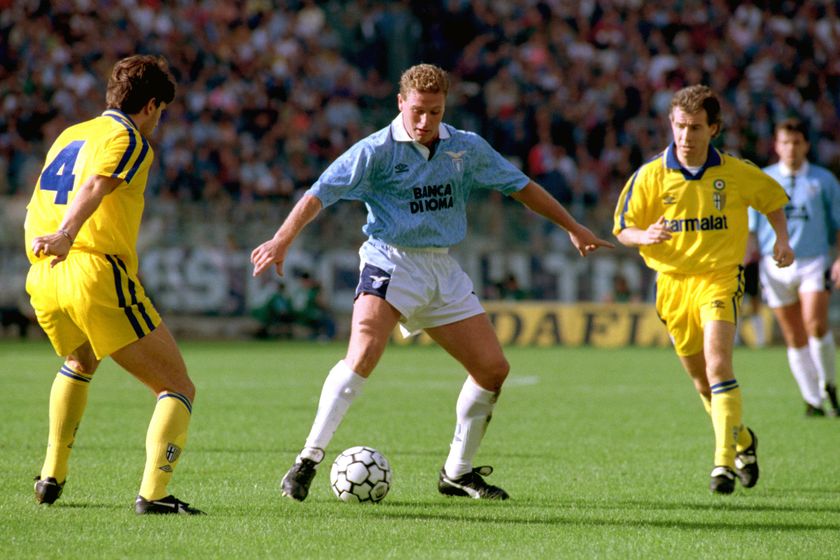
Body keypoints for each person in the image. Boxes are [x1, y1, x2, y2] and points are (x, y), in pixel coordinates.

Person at [251, 63, 613, 501]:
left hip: (441, 268)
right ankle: (307, 460)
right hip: (390, 258)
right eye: (418, 110)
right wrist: (282, 238)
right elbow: (319, 192)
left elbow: (521, 187)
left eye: (435, 112)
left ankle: (457, 473)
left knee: (493, 370)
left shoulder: (466, 148)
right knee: (364, 346)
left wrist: (572, 226)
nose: (425, 122)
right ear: (401, 103)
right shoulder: (375, 151)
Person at [24, 55, 203, 515]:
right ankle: (155, 495)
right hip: (91, 269)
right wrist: (67, 235)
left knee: (79, 359)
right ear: (148, 105)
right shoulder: (129, 137)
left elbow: (40, 199)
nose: (158, 121)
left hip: (44, 275)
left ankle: (50, 476)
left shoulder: (71, 134)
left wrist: (52, 242)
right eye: (160, 111)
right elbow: (97, 186)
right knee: (177, 386)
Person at [612, 85, 794, 494]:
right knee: (701, 383)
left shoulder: (735, 171)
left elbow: (770, 201)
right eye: (679, 126)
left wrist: (781, 239)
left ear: (714, 128)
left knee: (718, 368)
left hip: (720, 277)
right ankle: (744, 440)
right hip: (673, 286)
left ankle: (722, 465)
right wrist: (646, 234)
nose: (685, 136)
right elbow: (623, 229)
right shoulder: (651, 176)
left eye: (695, 127)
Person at [750, 118, 840, 417]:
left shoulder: (823, 180)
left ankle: (829, 383)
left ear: (806, 145)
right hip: (774, 266)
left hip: (813, 260)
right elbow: (751, 230)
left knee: (815, 323)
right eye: (785, 142)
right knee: (793, 335)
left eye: (796, 142)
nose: (791, 148)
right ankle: (812, 399)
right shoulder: (763, 179)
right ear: (776, 145)